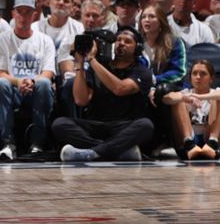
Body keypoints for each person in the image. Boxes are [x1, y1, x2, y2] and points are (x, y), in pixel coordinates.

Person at [52, 27, 154, 161]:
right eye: (118, 40)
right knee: (59, 124)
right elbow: (80, 100)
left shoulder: (142, 71)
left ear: (138, 48)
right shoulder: (100, 65)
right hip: (95, 125)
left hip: (123, 126)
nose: (121, 43)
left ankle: (90, 153)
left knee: (146, 125)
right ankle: (118, 151)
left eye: (127, 41)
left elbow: (120, 88)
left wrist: (92, 60)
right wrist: (80, 64)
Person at [0, 0, 56, 160]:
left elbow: (48, 72)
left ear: (35, 14)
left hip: (36, 88)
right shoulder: (1, 40)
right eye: (20, 11)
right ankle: (7, 144)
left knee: (45, 84)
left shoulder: (45, 40)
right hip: (12, 90)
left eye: (27, 12)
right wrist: (18, 82)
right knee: (0, 84)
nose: (23, 16)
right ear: (13, 14)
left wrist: (32, 81)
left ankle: (37, 143)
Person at [162, 60, 220, 159]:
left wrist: (201, 97)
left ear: (211, 78)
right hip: (188, 141)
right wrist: (185, 98)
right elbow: (166, 99)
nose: (198, 77)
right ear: (190, 77)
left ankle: (212, 143)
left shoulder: (215, 92)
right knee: (178, 99)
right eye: (194, 73)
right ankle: (189, 144)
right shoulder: (186, 93)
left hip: (210, 139)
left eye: (203, 74)